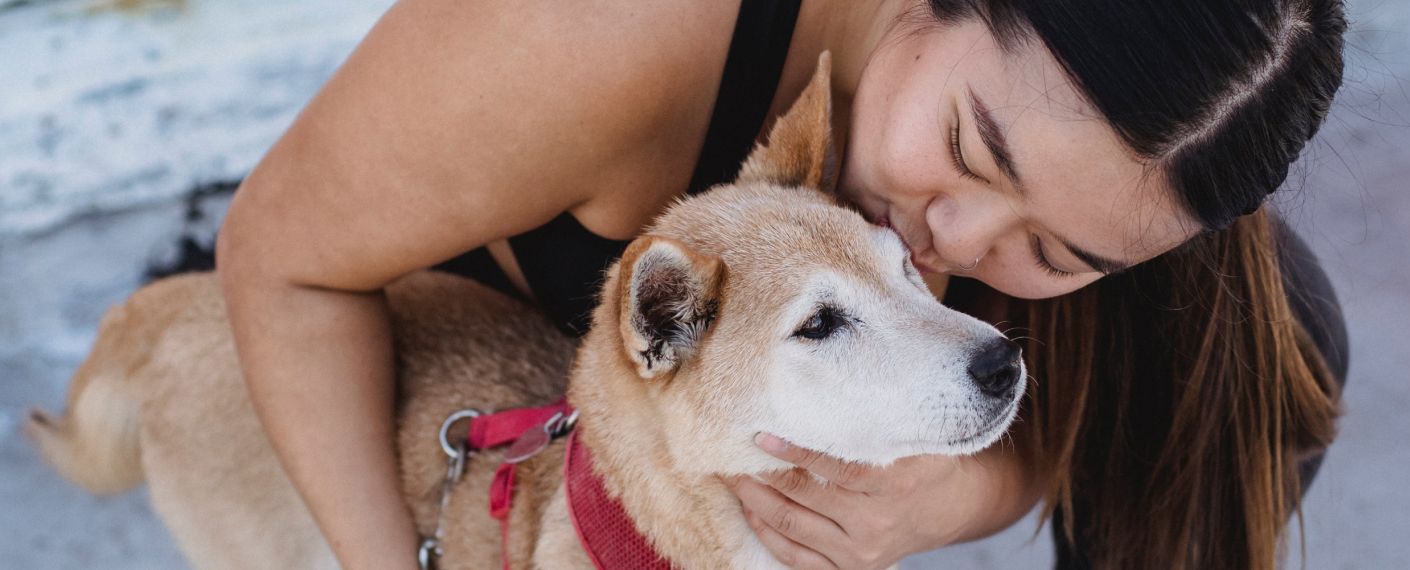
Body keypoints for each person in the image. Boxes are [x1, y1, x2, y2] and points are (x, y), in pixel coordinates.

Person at [215, 0, 1350, 568]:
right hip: (461, 371)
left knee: (1277, 360)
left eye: (1059, 258)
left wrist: (950, 498)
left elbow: (1124, 410)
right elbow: (279, 260)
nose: (949, 242)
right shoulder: (596, 36)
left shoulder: (1105, 173)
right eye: (969, 149)